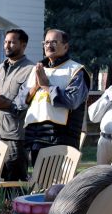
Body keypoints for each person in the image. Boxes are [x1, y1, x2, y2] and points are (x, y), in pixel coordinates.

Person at [19, 29, 90, 163]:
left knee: (55, 176)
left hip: (60, 137)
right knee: (39, 176)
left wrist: (46, 86)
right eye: (46, 42)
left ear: (66, 46)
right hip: (34, 136)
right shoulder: (38, 69)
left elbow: (72, 101)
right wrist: (36, 86)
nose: (49, 46)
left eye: (54, 42)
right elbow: (20, 102)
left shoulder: (76, 70)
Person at [0, 29, 34, 181]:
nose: (7, 45)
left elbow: (23, 106)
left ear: (23, 45)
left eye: (12, 42)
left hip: (14, 139)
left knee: (13, 185)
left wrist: (2, 103)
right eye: (5, 42)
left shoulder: (31, 70)